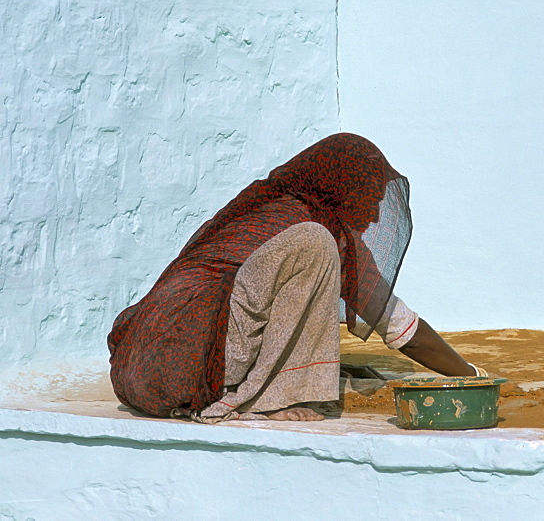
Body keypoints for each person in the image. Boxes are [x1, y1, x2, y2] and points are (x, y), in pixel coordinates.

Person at [108, 133, 483, 422]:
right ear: (339, 190)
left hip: (146, 371)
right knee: (313, 241)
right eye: (364, 198)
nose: (370, 215)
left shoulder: (271, 207)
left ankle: (263, 387)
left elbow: (397, 321)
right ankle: (271, 399)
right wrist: (476, 377)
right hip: (180, 358)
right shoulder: (314, 228)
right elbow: (402, 329)